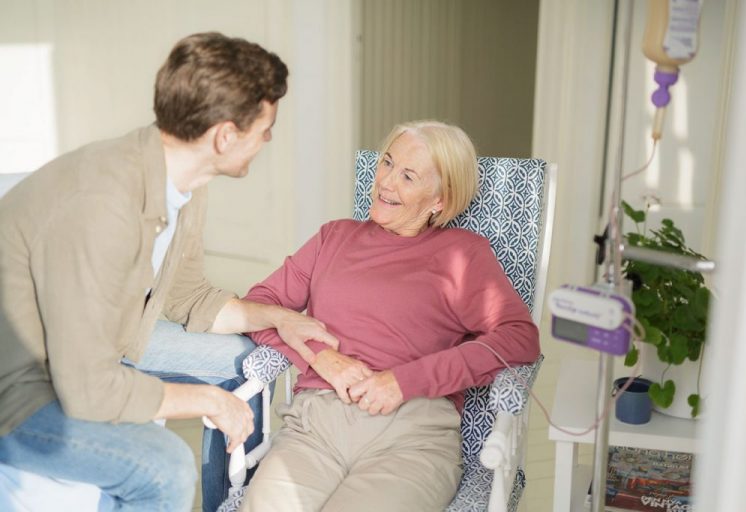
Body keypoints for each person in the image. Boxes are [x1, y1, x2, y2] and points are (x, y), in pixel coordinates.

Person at [0, 32, 336, 512]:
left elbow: (186, 294)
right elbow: (88, 390)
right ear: (225, 136)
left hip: (91, 344)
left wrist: (275, 317)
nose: (267, 140)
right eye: (265, 128)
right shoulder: (103, 206)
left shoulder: (183, 180)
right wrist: (207, 401)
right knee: (164, 468)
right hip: (19, 387)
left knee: (240, 360)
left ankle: (231, 503)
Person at [236, 120, 541, 511]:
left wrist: (405, 380)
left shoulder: (463, 255)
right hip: (315, 428)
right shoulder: (334, 237)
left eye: (408, 176)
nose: (386, 182)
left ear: (440, 201)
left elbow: (518, 337)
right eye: (387, 163)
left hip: (411, 438)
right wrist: (319, 356)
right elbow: (260, 304)